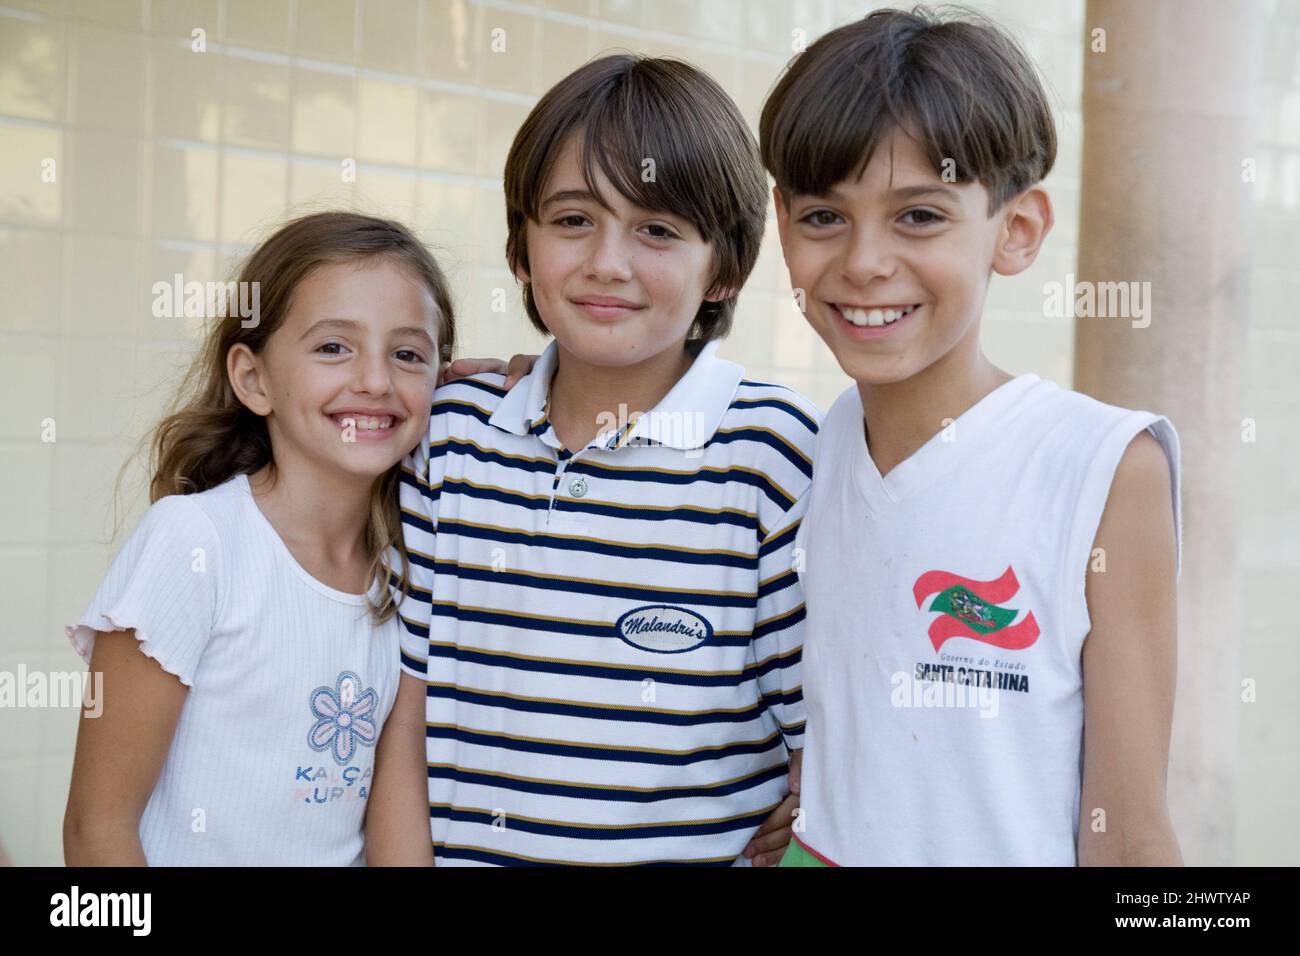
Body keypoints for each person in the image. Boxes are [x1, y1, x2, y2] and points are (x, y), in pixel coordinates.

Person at [758, 7, 1183, 865]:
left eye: (918, 216)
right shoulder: (824, 441)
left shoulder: (1104, 467)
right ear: (781, 224)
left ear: (1016, 230)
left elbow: (1131, 835)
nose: (865, 261)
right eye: (822, 217)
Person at [372, 54, 817, 866]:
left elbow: (819, 746)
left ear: (724, 268)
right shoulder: (449, 435)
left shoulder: (774, 455)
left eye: (657, 230)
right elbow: (402, 720)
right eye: (573, 220)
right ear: (521, 250)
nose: (607, 262)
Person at [63, 212, 456, 865]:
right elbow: (97, 828)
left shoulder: (413, 569)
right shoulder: (195, 545)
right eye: (334, 346)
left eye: (408, 354)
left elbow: (395, 814)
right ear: (254, 378)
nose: (376, 381)